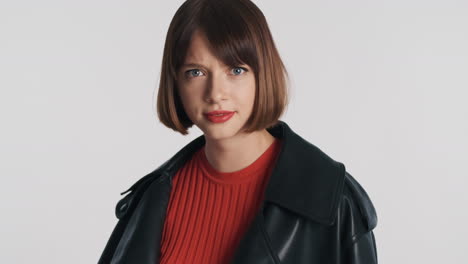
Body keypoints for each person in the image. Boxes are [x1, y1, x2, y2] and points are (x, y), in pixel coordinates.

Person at [98, 0, 379, 263]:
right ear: (176, 83)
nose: (216, 93)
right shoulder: (151, 199)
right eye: (196, 72)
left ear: (263, 74)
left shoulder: (331, 200)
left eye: (236, 70)